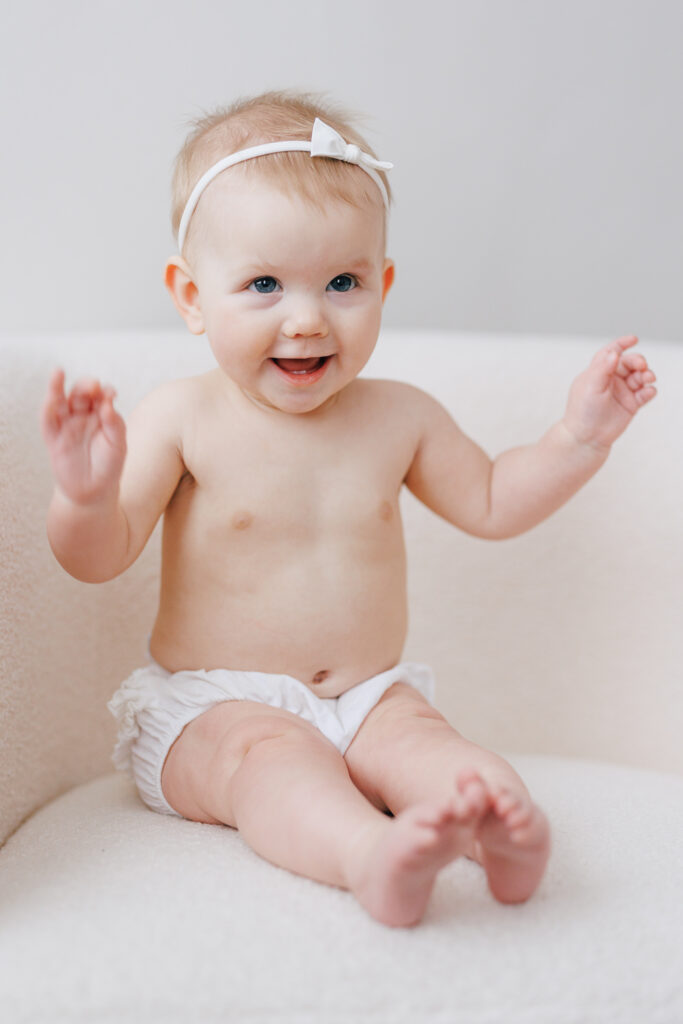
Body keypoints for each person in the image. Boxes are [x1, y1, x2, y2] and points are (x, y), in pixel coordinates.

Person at [40, 90, 657, 928]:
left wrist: (580, 437)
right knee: (271, 761)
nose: (307, 317)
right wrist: (84, 493)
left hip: (369, 696)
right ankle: (367, 856)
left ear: (383, 283)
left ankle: (502, 828)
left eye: (342, 281)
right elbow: (97, 555)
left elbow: (493, 501)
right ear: (190, 296)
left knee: (433, 747)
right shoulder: (181, 418)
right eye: (263, 284)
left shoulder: (399, 415)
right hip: (216, 707)